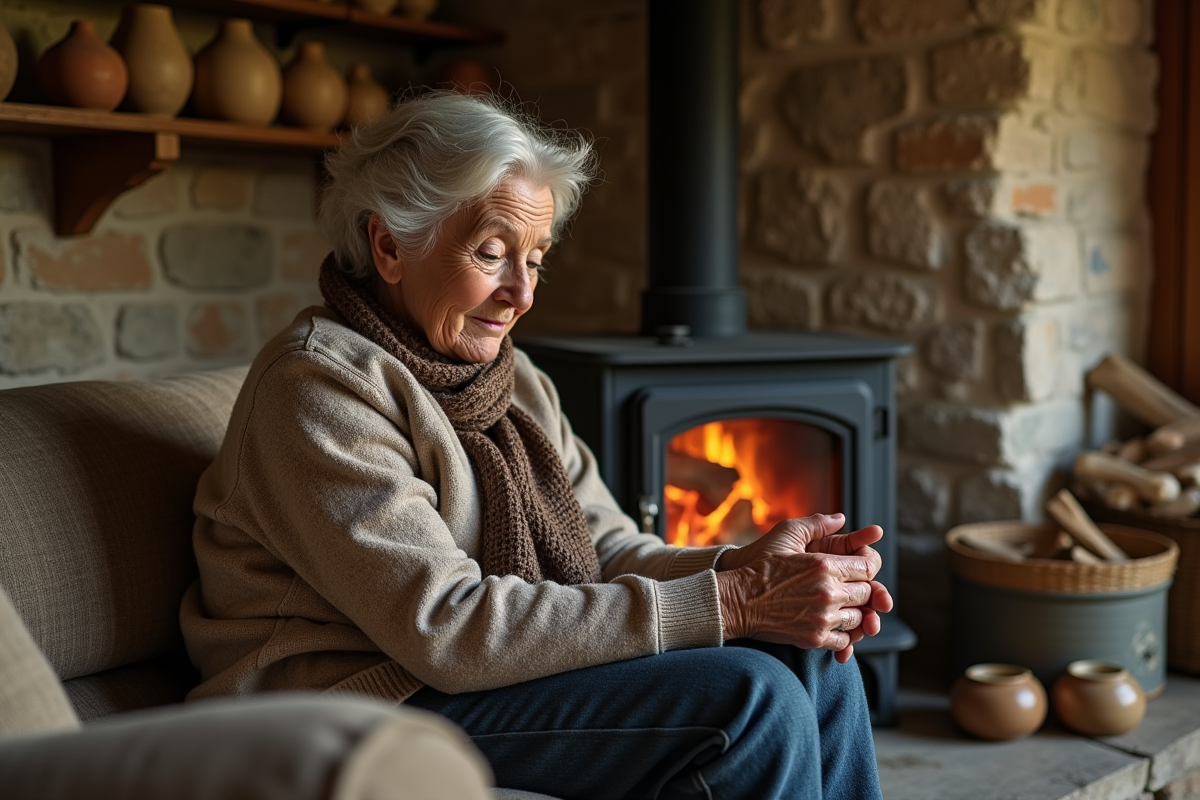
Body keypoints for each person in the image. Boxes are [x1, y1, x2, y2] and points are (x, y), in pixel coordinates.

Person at [180, 91, 893, 800]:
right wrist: (732, 603)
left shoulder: (512, 385)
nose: (520, 293)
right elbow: (447, 628)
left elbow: (608, 547)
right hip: (351, 697)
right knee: (750, 696)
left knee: (815, 659)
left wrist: (745, 567)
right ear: (390, 246)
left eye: (536, 261)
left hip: (460, 674)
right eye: (492, 254)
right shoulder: (319, 387)